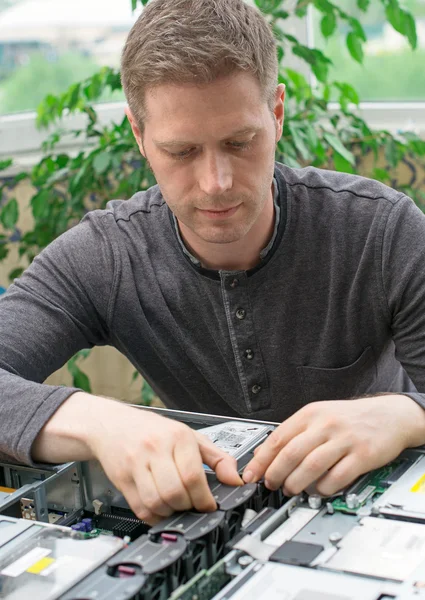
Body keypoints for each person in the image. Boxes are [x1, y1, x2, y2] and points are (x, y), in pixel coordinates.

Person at [1, 0, 425, 526]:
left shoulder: (381, 231)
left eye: (239, 142)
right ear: (138, 134)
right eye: (181, 152)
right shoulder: (106, 257)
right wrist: (101, 422)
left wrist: (406, 416)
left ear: (276, 113)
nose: (216, 182)